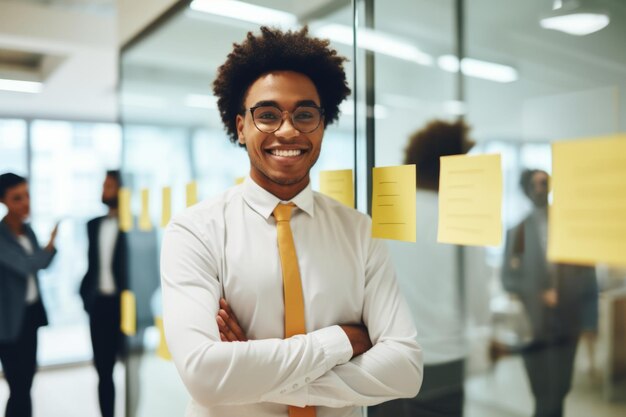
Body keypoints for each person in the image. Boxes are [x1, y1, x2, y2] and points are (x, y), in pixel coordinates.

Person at [160, 26, 422, 417]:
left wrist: (251, 374)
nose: (287, 130)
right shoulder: (195, 231)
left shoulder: (359, 231)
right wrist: (340, 342)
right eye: (267, 115)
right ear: (241, 126)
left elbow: (405, 369)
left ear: (322, 123)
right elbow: (203, 375)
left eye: (305, 114)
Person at [368, 120, 489, 417]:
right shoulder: (460, 220)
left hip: (388, 355)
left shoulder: (386, 214)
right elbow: (479, 303)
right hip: (444, 358)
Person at [502, 169, 598, 417]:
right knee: (543, 391)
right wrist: (537, 294)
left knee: (561, 388)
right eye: (534, 184)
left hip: (568, 319)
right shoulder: (519, 231)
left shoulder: (569, 226)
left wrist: (589, 320)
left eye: (544, 182)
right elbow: (508, 278)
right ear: (526, 189)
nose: (540, 188)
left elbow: (587, 272)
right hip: (534, 323)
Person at [0, 172, 57, 417]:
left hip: (31, 315)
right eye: (17, 198)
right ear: (3, 201)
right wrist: (49, 246)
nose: (26, 203)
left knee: (27, 384)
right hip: (9, 324)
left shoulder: (28, 230)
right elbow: (26, 265)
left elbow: (40, 264)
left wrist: (48, 250)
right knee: (18, 388)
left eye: (27, 195)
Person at [79, 170, 128, 417]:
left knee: (130, 368)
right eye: (103, 185)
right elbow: (92, 266)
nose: (103, 190)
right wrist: (86, 297)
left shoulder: (137, 227)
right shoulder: (93, 225)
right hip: (99, 306)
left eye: (108, 186)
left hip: (126, 308)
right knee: (103, 371)